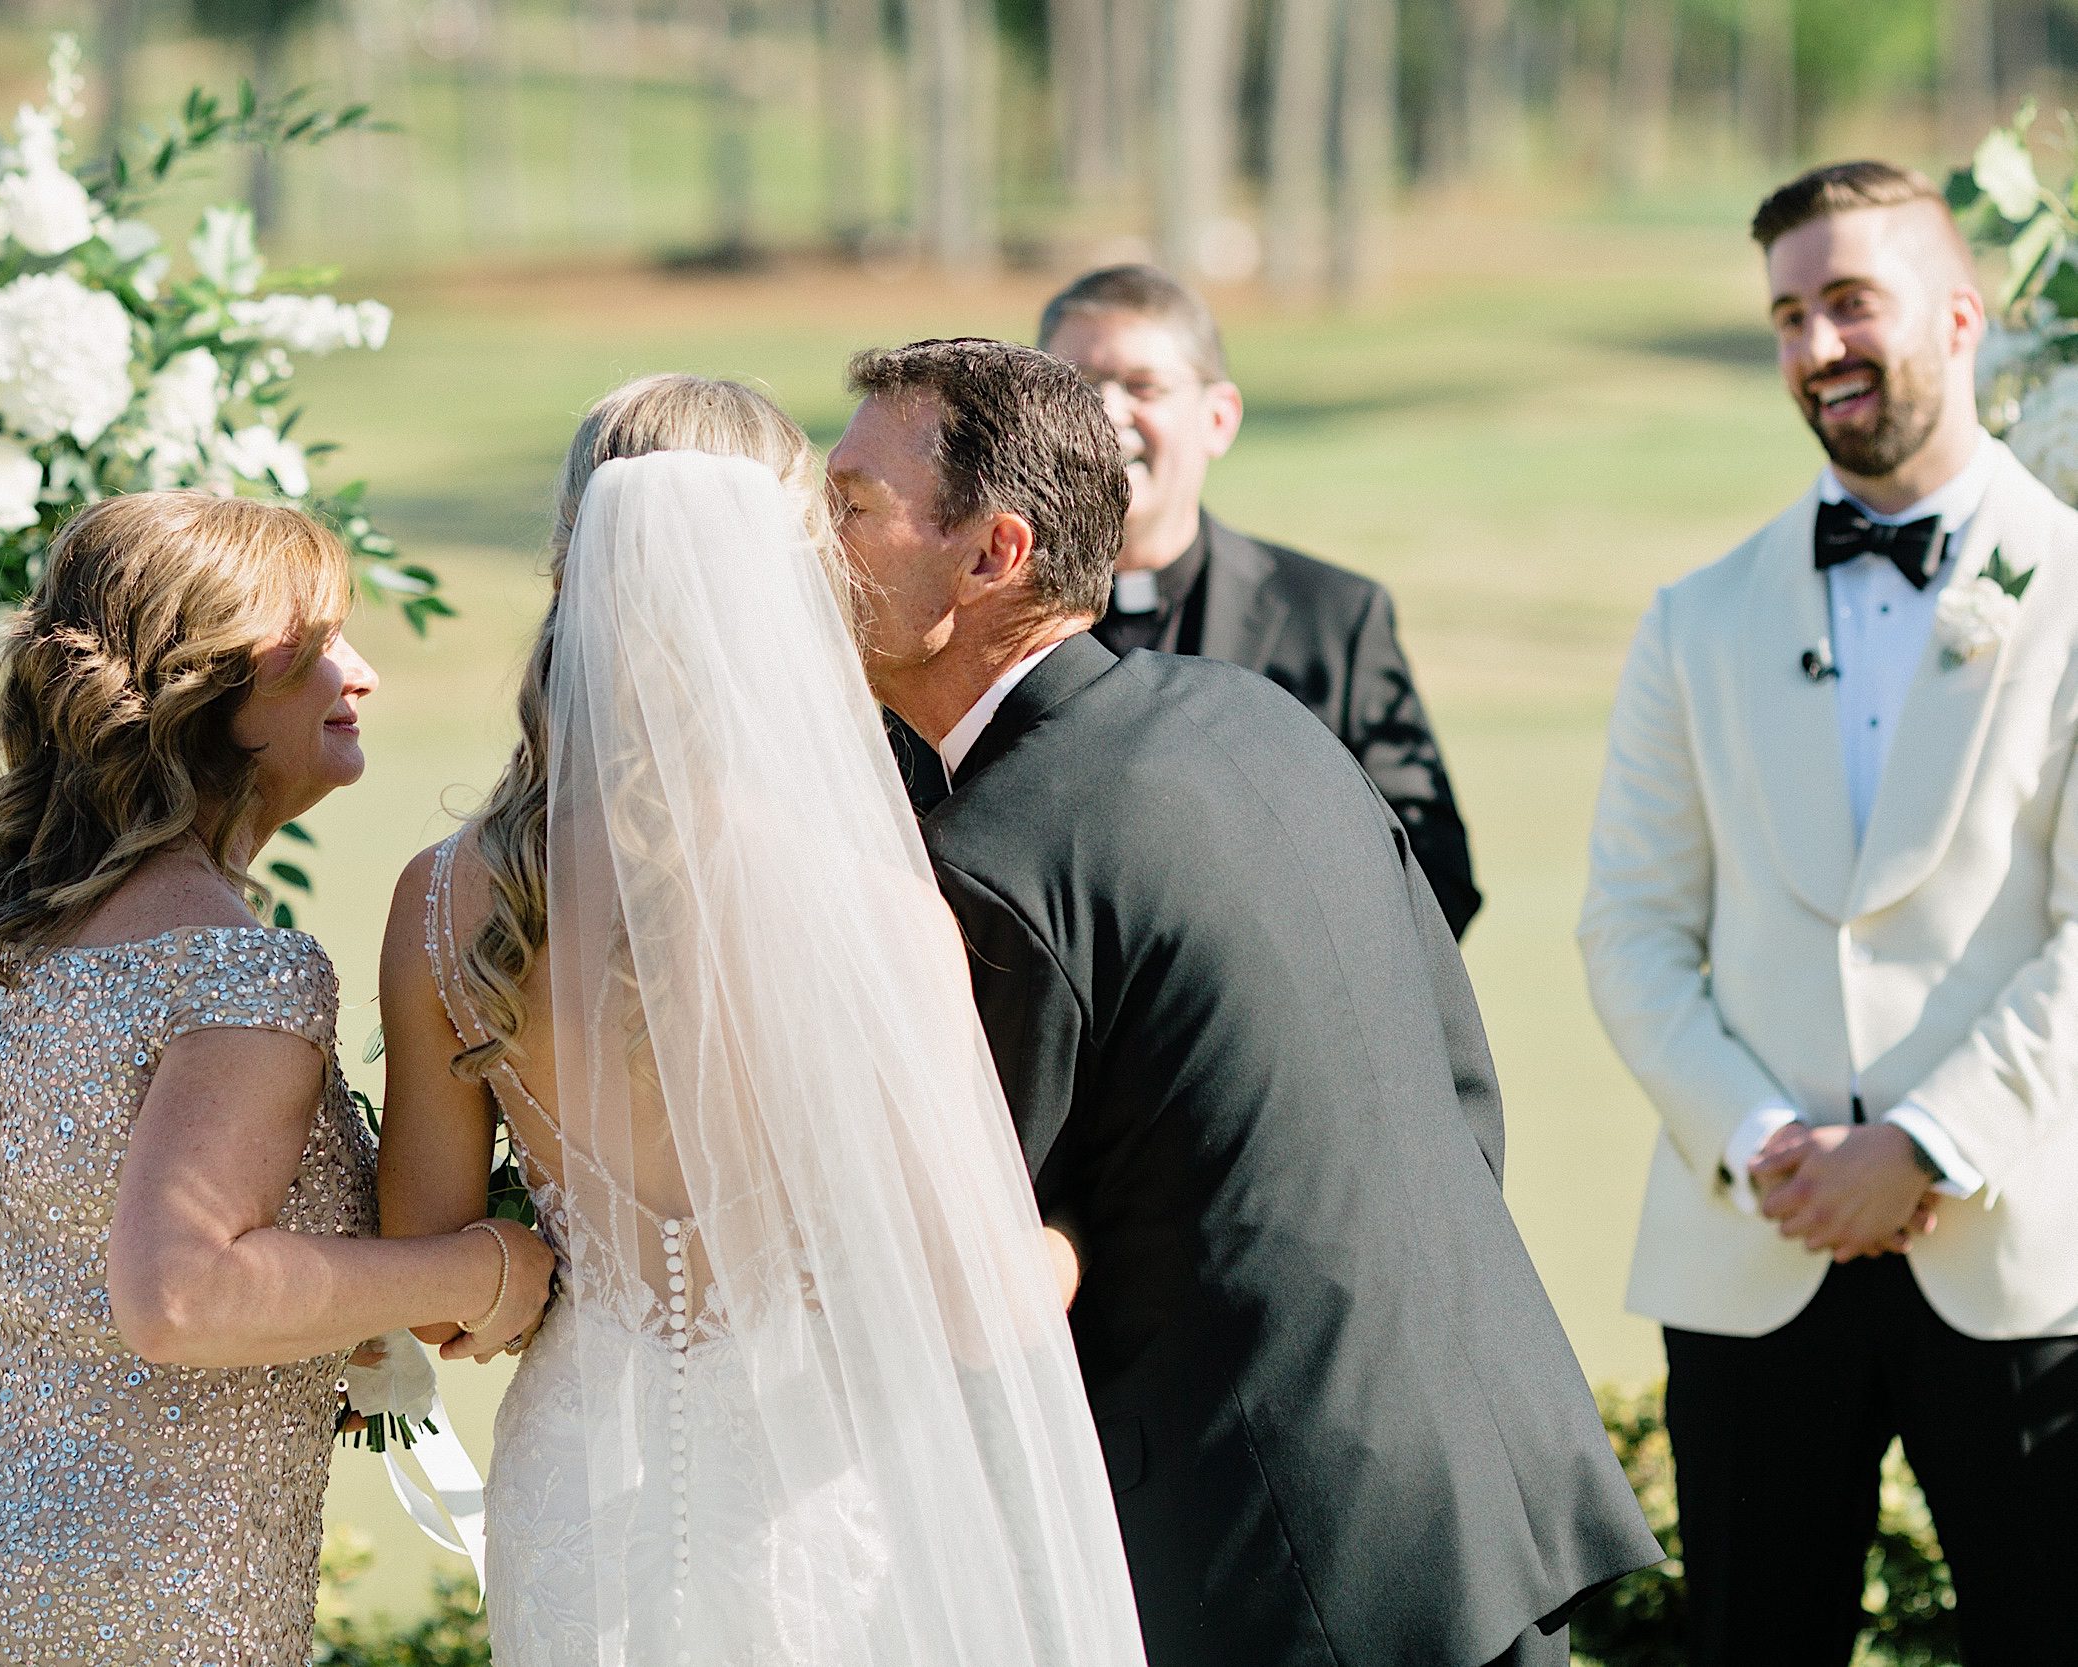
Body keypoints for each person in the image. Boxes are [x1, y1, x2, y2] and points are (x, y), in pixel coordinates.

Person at [830, 337, 1659, 1667]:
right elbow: (1458, 1076)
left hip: (1280, 1565)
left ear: (993, 554)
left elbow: (971, 1284)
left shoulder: (987, 869)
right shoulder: (1260, 716)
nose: (814, 545)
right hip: (1477, 1484)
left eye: (853, 506)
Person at [374, 376, 1147, 1667]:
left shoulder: (443, 900)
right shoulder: (873, 908)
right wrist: (1077, 1238)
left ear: (575, 558)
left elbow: (434, 1276)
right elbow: (977, 1308)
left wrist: (545, 1254)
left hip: (576, 1490)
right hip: (817, 1500)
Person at [0, 492, 555, 1665]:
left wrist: (305, 1325)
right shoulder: (241, 972)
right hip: (140, 1598)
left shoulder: (9, 940)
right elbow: (180, 1294)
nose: (361, 672)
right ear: (208, 693)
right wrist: (482, 1263)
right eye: (315, 645)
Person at [1579, 161, 2078, 1666]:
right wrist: (1764, 1145)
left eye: (1850, 302)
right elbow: (1631, 926)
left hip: (2020, 1249)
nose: (1816, 346)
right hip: (1756, 1249)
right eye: (1789, 315)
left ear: (1962, 316)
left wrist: (1921, 1143)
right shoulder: (1696, 617)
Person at [1032, 265, 1482, 935]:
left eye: (1143, 386)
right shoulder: (973, 616)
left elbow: (1431, 876)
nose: (1105, 412)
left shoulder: (1333, 618)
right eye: (1074, 386)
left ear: (1218, 419)